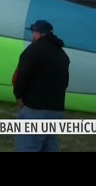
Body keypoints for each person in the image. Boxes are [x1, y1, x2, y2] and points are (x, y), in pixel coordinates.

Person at [13, 19, 70, 152]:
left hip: (35, 109)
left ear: (40, 34)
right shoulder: (63, 55)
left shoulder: (33, 50)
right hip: (56, 110)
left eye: (33, 32)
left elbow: (22, 75)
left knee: (28, 147)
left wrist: (19, 96)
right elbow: (65, 82)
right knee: (49, 146)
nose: (32, 35)